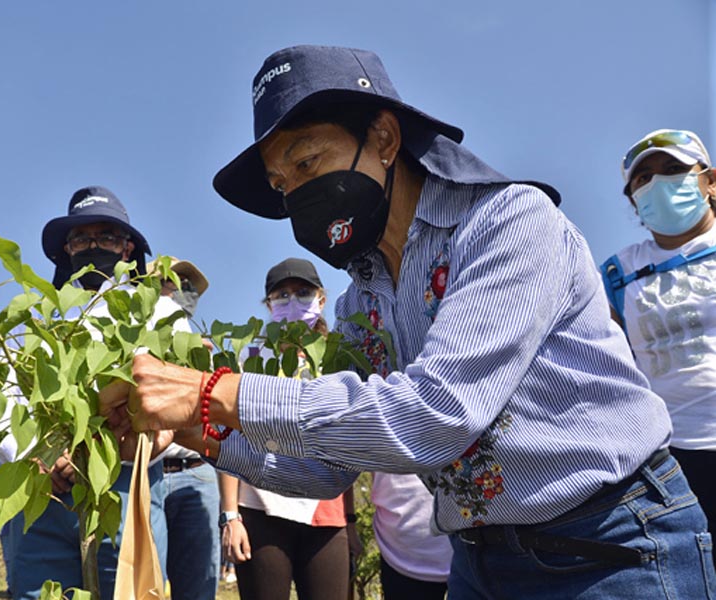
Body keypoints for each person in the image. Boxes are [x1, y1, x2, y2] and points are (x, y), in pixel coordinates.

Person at [104, 45, 715, 598]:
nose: (295, 197)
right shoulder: (361, 301)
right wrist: (197, 430)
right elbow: (325, 467)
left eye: (309, 164)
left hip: (611, 546)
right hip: (481, 559)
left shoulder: (506, 222)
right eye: (281, 185)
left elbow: (436, 414)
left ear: (386, 139)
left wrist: (213, 392)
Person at [5, 185, 169, 600]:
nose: (94, 247)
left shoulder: (161, 313)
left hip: (125, 488)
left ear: (128, 249)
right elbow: (14, 404)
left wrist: (103, 451)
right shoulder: (44, 315)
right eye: (82, 239)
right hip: (47, 494)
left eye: (107, 238)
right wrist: (46, 456)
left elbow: (171, 404)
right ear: (67, 249)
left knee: (129, 593)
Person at [600, 129, 716, 535]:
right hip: (669, 460)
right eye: (643, 178)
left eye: (673, 169)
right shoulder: (616, 273)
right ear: (633, 198)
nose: (657, 183)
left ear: (710, 181)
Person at [219, 257, 354, 600]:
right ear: (268, 304)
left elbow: (348, 444)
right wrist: (230, 516)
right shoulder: (249, 356)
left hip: (324, 511)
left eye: (303, 292)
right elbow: (228, 436)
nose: (292, 301)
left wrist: (350, 519)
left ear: (321, 299)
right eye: (282, 295)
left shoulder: (337, 358)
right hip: (261, 507)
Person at [147, 256, 221, 600]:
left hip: (197, 471)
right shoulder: (134, 339)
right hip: (150, 471)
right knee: (148, 581)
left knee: (198, 585)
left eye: (184, 285)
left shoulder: (202, 347)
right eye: (166, 282)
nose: (175, 290)